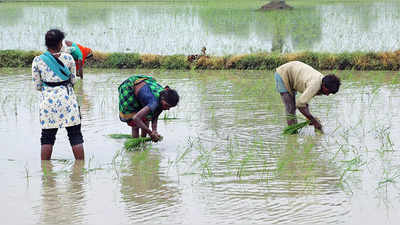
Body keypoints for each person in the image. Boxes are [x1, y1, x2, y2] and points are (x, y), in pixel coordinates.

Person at [32, 29, 85, 160]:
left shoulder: (38, 60)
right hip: (68, 101)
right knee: (75, 136)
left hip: (48, 104)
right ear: (60, 43)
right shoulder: (68, 58)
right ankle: (80, 172)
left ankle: (46, 173)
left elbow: (37, 86)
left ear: (46, 43)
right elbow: (73, 81)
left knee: (47, 138)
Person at [274, 61, 341, 133]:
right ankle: (292, 133)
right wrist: (314, 121)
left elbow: (304, 102)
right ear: (324, 86)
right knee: (290, 108)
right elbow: (299, 104)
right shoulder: (315, 85)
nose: (327, 95)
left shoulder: (322, 82)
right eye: (328, 92)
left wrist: (309, 117)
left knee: (293, 107)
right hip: (283, 74)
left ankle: (293, 131)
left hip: (294, 73)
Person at [118, 75, 179, 141]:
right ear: (162, 98)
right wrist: (150, 133)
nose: (167, 109)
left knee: (146, 119)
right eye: (167, 105)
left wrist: (154, 131)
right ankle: (136, 145)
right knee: (135, 125)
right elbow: (136, 118)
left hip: (144, 90)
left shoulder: (162, 99)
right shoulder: (154, 102)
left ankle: (143, 142)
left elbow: (155, 116)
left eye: (170, 107)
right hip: (130, 88)